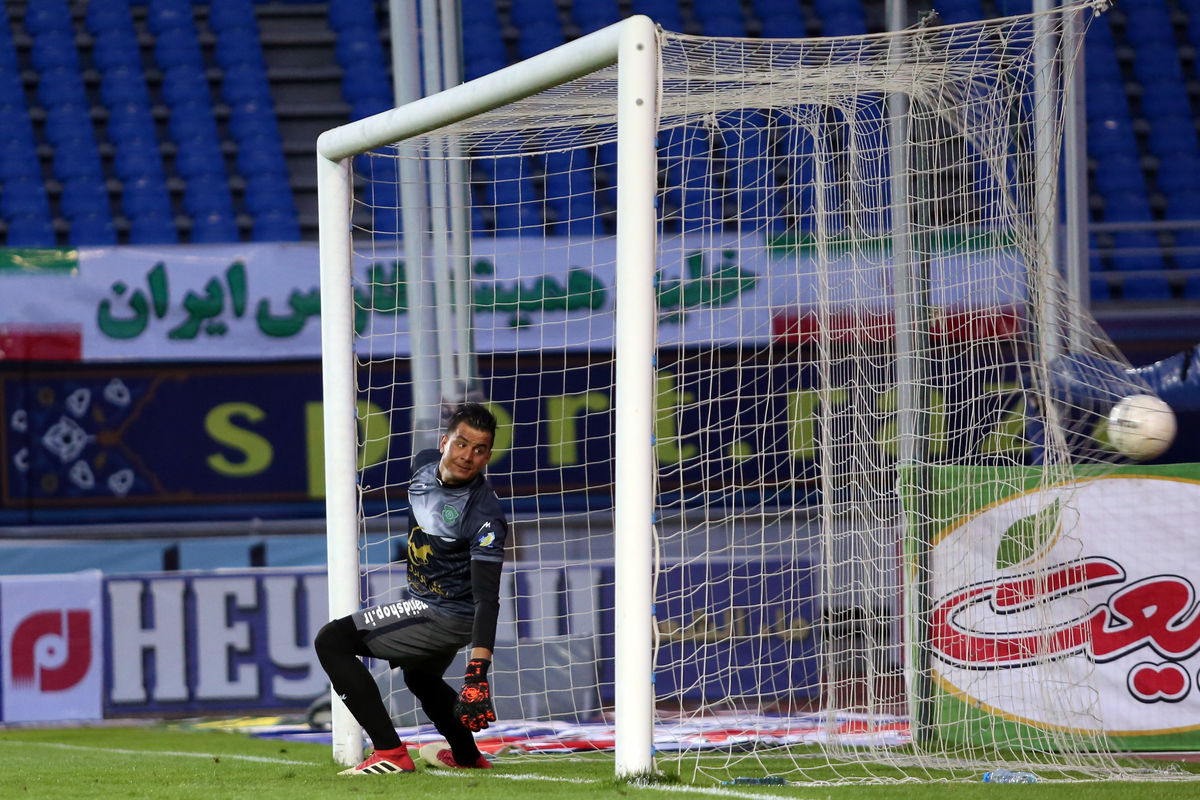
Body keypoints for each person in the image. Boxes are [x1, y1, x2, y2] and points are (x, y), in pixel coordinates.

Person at [314, 402, 508, 775]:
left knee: (332, 641)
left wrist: (477, 670)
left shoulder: (484, 516)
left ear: (487, 457)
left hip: (446, 614)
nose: (468, 456)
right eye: (461, 444)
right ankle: (468, 758)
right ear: (443, 442)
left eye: (480, 449)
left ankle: (391, 752)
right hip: (428, 603)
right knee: (419, 677)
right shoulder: (420, 463)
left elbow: (487, 598)